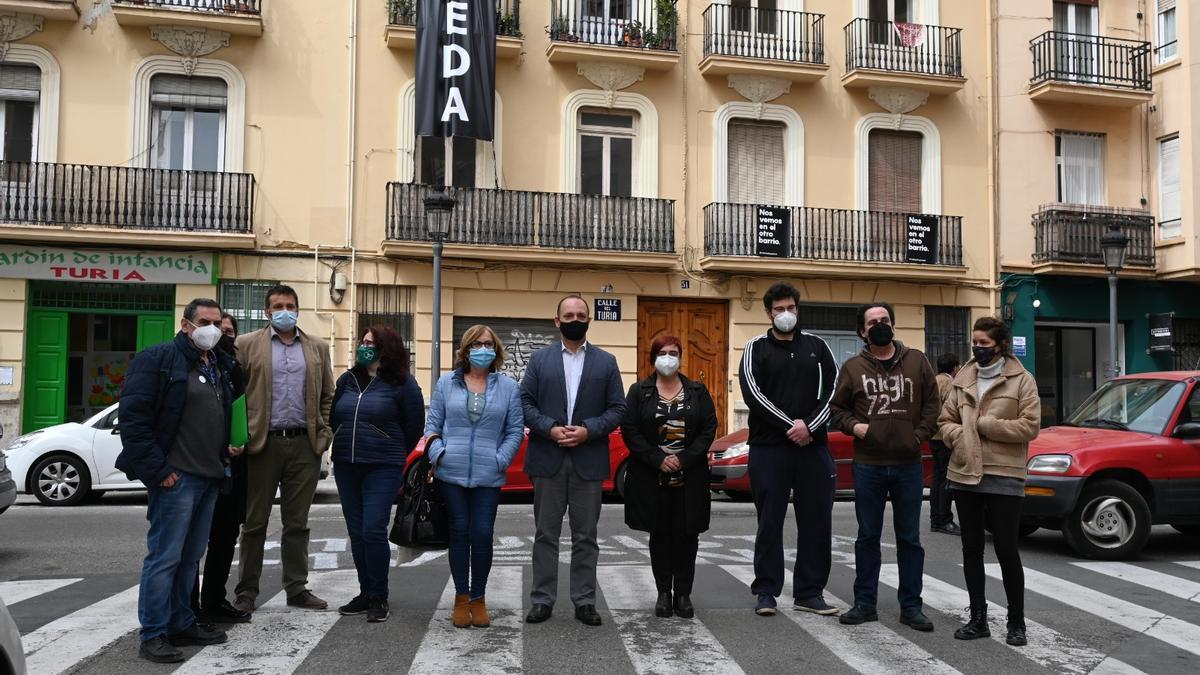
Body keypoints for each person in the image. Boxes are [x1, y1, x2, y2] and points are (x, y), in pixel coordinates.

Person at [116, 298, 236, 663]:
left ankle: (182, 622)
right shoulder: (158, 359)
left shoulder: (217, 363)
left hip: (209, 476)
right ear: (186, 324)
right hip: (176, 478)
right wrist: (159, 472)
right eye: (204, 322)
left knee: (189, 559)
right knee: (165, 558)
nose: (212, 329)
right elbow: (133, 421)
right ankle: (153, 632)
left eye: (217, 323)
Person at [830, 302, 940, 632]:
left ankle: (912, 607)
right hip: (869, 465)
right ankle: (865, 603)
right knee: (867, 537)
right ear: (862, 331)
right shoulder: (852, 367)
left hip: (908, 464)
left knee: (909, 539)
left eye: (886, 320)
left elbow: (933, 405)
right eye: (873, 322)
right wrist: (855, 427)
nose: (881, 325)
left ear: (893, 325)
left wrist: (917, 436)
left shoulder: (917, 361)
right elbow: (837, 408)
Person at [522, 295, 626, 627]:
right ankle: (542, 599)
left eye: (581, 314)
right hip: (548, 456)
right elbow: (524, 403)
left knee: (586, 536)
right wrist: (550, 429)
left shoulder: (606, 362)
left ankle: (584, 601)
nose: (575, 318)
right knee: (545, 535)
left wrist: (587, 431)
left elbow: (617, 409)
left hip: (588, 457)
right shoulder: (539, 360)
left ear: (589, 319)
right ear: (557, 321)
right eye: (568, 314)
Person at [738, 282, 840, 618]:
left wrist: (809, 427)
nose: (786, 314)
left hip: (813, 448)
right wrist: (790, 426)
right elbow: (754, 394)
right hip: (770, 449)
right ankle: (766, 591)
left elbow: (834, 391)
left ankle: (810, 593)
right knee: (769, 521)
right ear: (768, 312)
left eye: (791, 308)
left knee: (816, 521)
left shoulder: (818, 346)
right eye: (779, 309)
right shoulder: (755, 348)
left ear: (798, 310)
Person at [233, 285, 335, 613]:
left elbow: (328, 395)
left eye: (290, 305)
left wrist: (324, 431)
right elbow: (235, 394)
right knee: (254, 523)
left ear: (298, 309)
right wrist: (239, 435)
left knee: (298, 523)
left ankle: (296, 588)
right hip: (262, 444)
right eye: (278, 306)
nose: (285, 311)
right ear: (267, 312)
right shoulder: (246, 345)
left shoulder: (318, 348)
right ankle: (247, 591)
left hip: (305, 445)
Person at [939, 317, 1040, 647]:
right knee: (971, 550)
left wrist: (984, 425)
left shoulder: (1021, 380)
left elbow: (1029, 427)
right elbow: (945, 420)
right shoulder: (963, 378)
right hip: (965, 471)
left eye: (984, 343)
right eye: (975, 343)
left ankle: (1016, 622)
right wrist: (959, 436)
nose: (978, 348)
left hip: (1005, 473)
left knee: (1008, 550)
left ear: (1001, 345)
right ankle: (978, 618)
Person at [425, 325, 524, 628]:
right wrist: (439, 454)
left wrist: (501, 459)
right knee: (459, 532)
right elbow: (432, 426)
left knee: (481, 534)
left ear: (496, 350)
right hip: (450, 473)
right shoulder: (447, 384)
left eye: (489, 344)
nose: (483, 349)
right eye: (477, 344)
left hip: (488, 475)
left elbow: (515, 430)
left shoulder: (508, 387)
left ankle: (478, 598)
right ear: (466, 350)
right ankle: (461, 597)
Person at [330, 325, 425, 623]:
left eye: (371, 342)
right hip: (347, 464)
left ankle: (379, 595)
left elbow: (414, 427)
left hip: (383, 466)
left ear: (387, 347)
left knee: (373, 529)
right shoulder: (347, 380)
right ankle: (365, 592)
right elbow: (335, 417)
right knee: (356, 532)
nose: (365, 345)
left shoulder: (403, 384)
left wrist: (391, 449)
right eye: (363, 341)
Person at [621, 335, 717, 619]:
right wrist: (658, 458)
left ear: (680, 357)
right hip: (653, 476)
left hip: (690, 476)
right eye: (662, 352)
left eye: (673, 352)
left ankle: (684, 594)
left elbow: (708, 428)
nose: (668, 357)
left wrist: (684, 459)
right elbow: (630, 429)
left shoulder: (697, 391)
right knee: (660, 535)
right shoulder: (640, 391)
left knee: (688, 536)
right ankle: (664, 593)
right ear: (653, 357)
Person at [190, 313, 252, 624]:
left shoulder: (231, 368)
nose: (221, 335)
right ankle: (189, 608)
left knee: (225, 538)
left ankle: (214, 600)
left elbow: (240, 409)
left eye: (228, 331)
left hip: (231, 468)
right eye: (216, 328)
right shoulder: (192, 365)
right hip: (199, 467)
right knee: (191, 544)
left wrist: (240, 440)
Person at [930, 353, 962, 536]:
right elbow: (952, 410)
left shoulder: (933, 380)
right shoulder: (948, 383)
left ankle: (936, 519)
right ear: (955, 368)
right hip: (944, 437)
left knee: (937, 479)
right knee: (946, 480)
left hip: (933, 436)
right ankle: (944, 519)